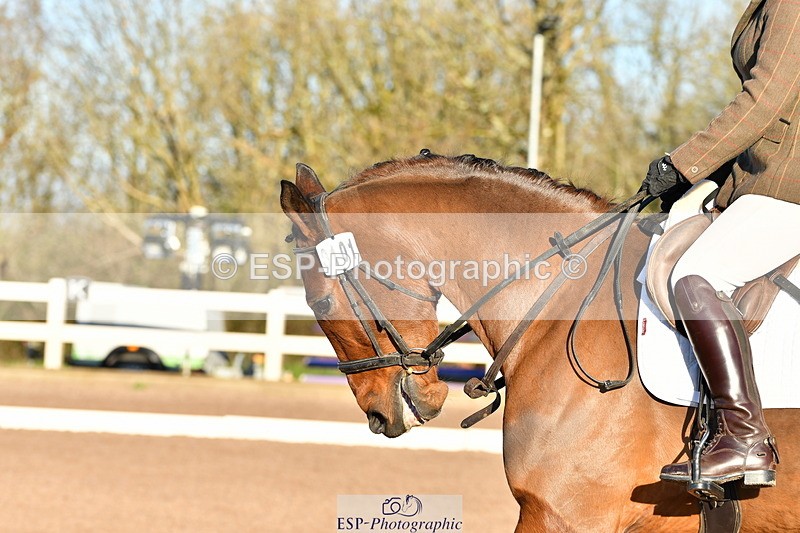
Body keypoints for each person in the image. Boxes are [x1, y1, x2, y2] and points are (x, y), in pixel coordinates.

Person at [640, 0, 800, 488]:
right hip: (761, 181)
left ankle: (746, 438)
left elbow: (768, 97)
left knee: (698, 277)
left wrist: (684, 162)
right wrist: (708, 178)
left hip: (787, 187)